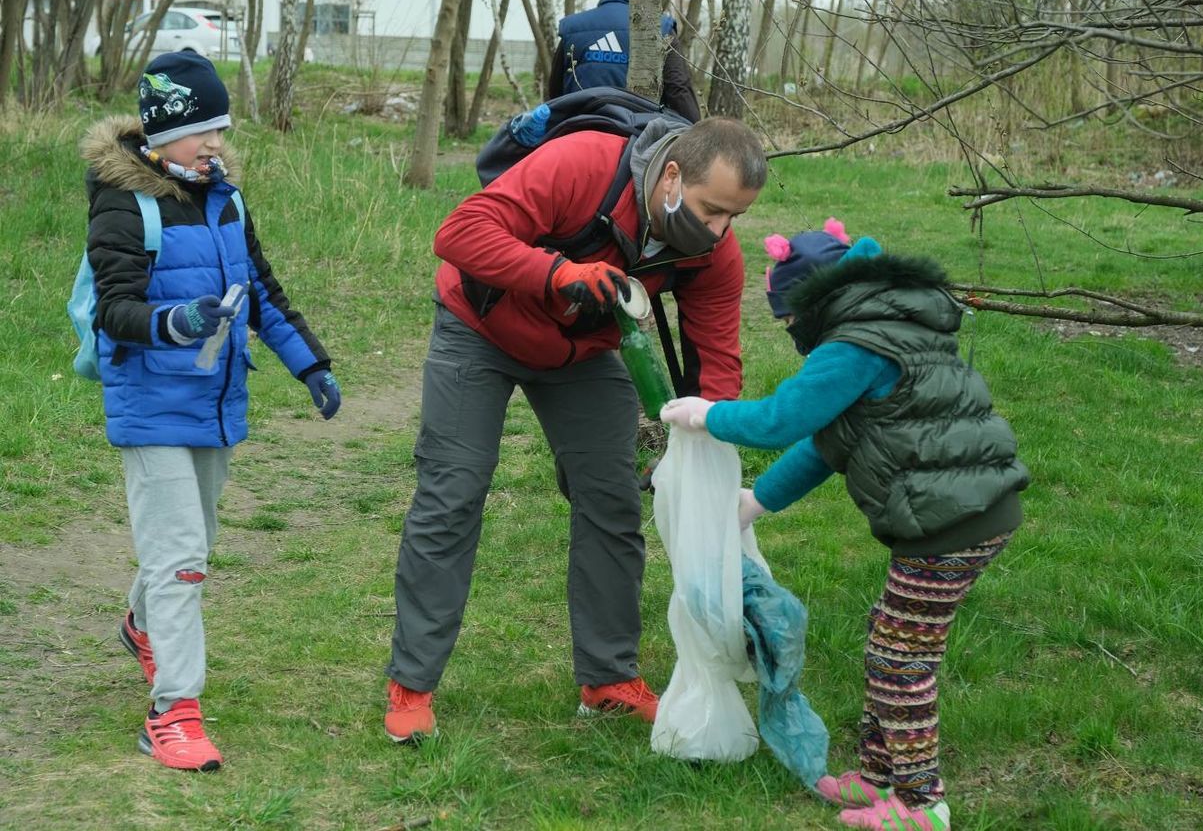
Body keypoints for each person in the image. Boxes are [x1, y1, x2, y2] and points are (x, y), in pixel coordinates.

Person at [383, 116, 767, 742]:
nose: (720, 231)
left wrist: (706, 445)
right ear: (671, 176)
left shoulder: (712, 254)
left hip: (579, 357)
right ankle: (412, 680)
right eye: (710, 209)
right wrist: (558, 272)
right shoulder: (585, 164)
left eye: (734, 217)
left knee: (612, 498)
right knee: (454, 490)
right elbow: (459, 232)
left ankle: (609, 678)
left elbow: (716, 362)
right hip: (478, 326)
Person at [659, 219, 1029, 831]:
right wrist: (757, 503)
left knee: (899, 660)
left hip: (951, 523)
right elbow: (828, 443)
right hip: (961, 511)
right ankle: (879, 778)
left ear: (812, 303)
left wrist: (710, 414)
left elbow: (782, 420)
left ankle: (920, 805)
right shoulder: (889, 329)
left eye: (786, 320)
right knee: (889, 640)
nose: (788, 332)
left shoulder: (854, 346)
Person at [83, 50, 341, 772]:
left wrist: (310, 364)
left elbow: (262, 291)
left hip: (215, 406)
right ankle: (173, 711)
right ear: (163, 131)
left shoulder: (225, 196)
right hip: (151, 406)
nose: (215, 142)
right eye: (201, 128)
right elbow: (115, 311)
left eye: (220, 127)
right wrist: (179, 321)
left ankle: (142, 628)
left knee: (189, 541)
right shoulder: (121, 199)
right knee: (182, 560)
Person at [548, 0, 701, 123]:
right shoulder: (660, 27)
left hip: (577, 135)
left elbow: (555, 93)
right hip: (636, 142)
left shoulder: (573, 28)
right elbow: (679, 91)